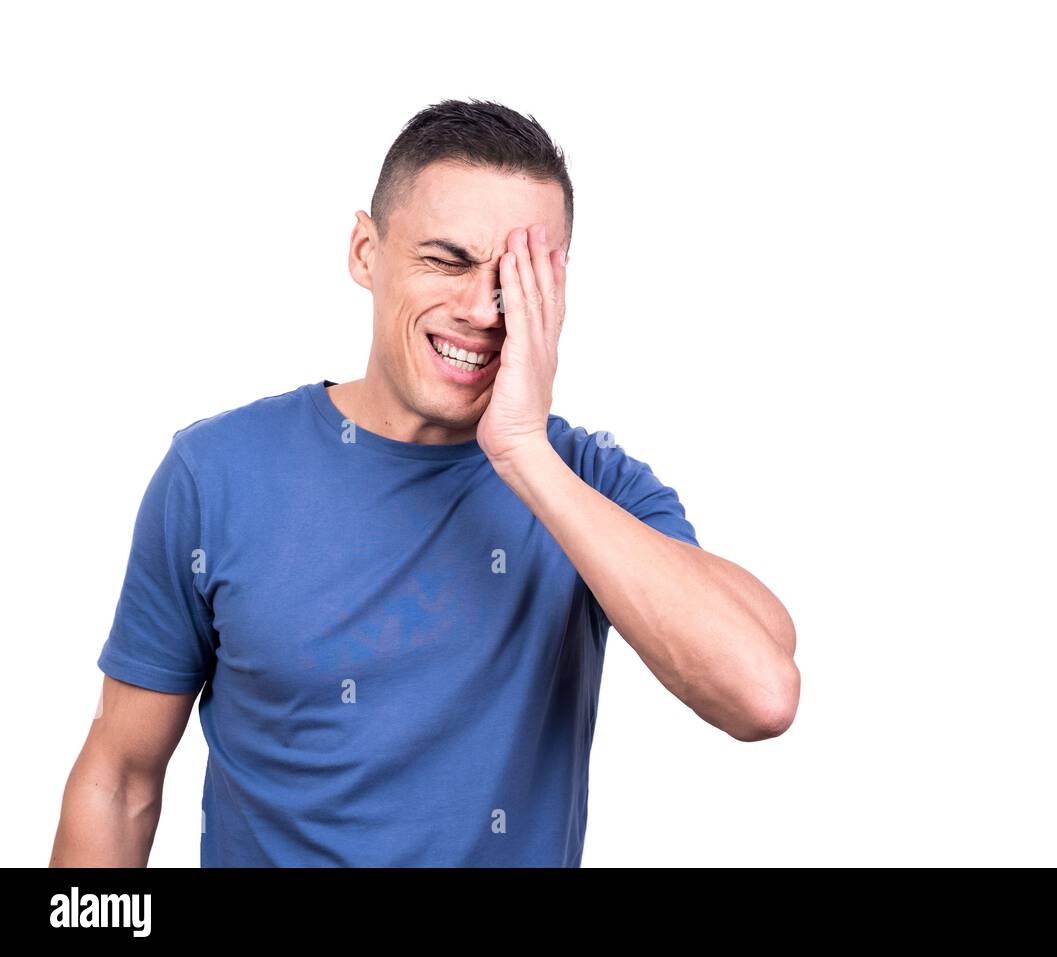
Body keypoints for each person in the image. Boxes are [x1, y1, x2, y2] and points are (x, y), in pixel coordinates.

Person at [50, 99, 799, 867]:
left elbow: (762, 694)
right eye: (448, 260)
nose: (482, 309)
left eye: (518, 279)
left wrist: (522, 454)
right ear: (365, 252)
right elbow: (120, 779)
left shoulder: (584, 483)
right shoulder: (214, 474)